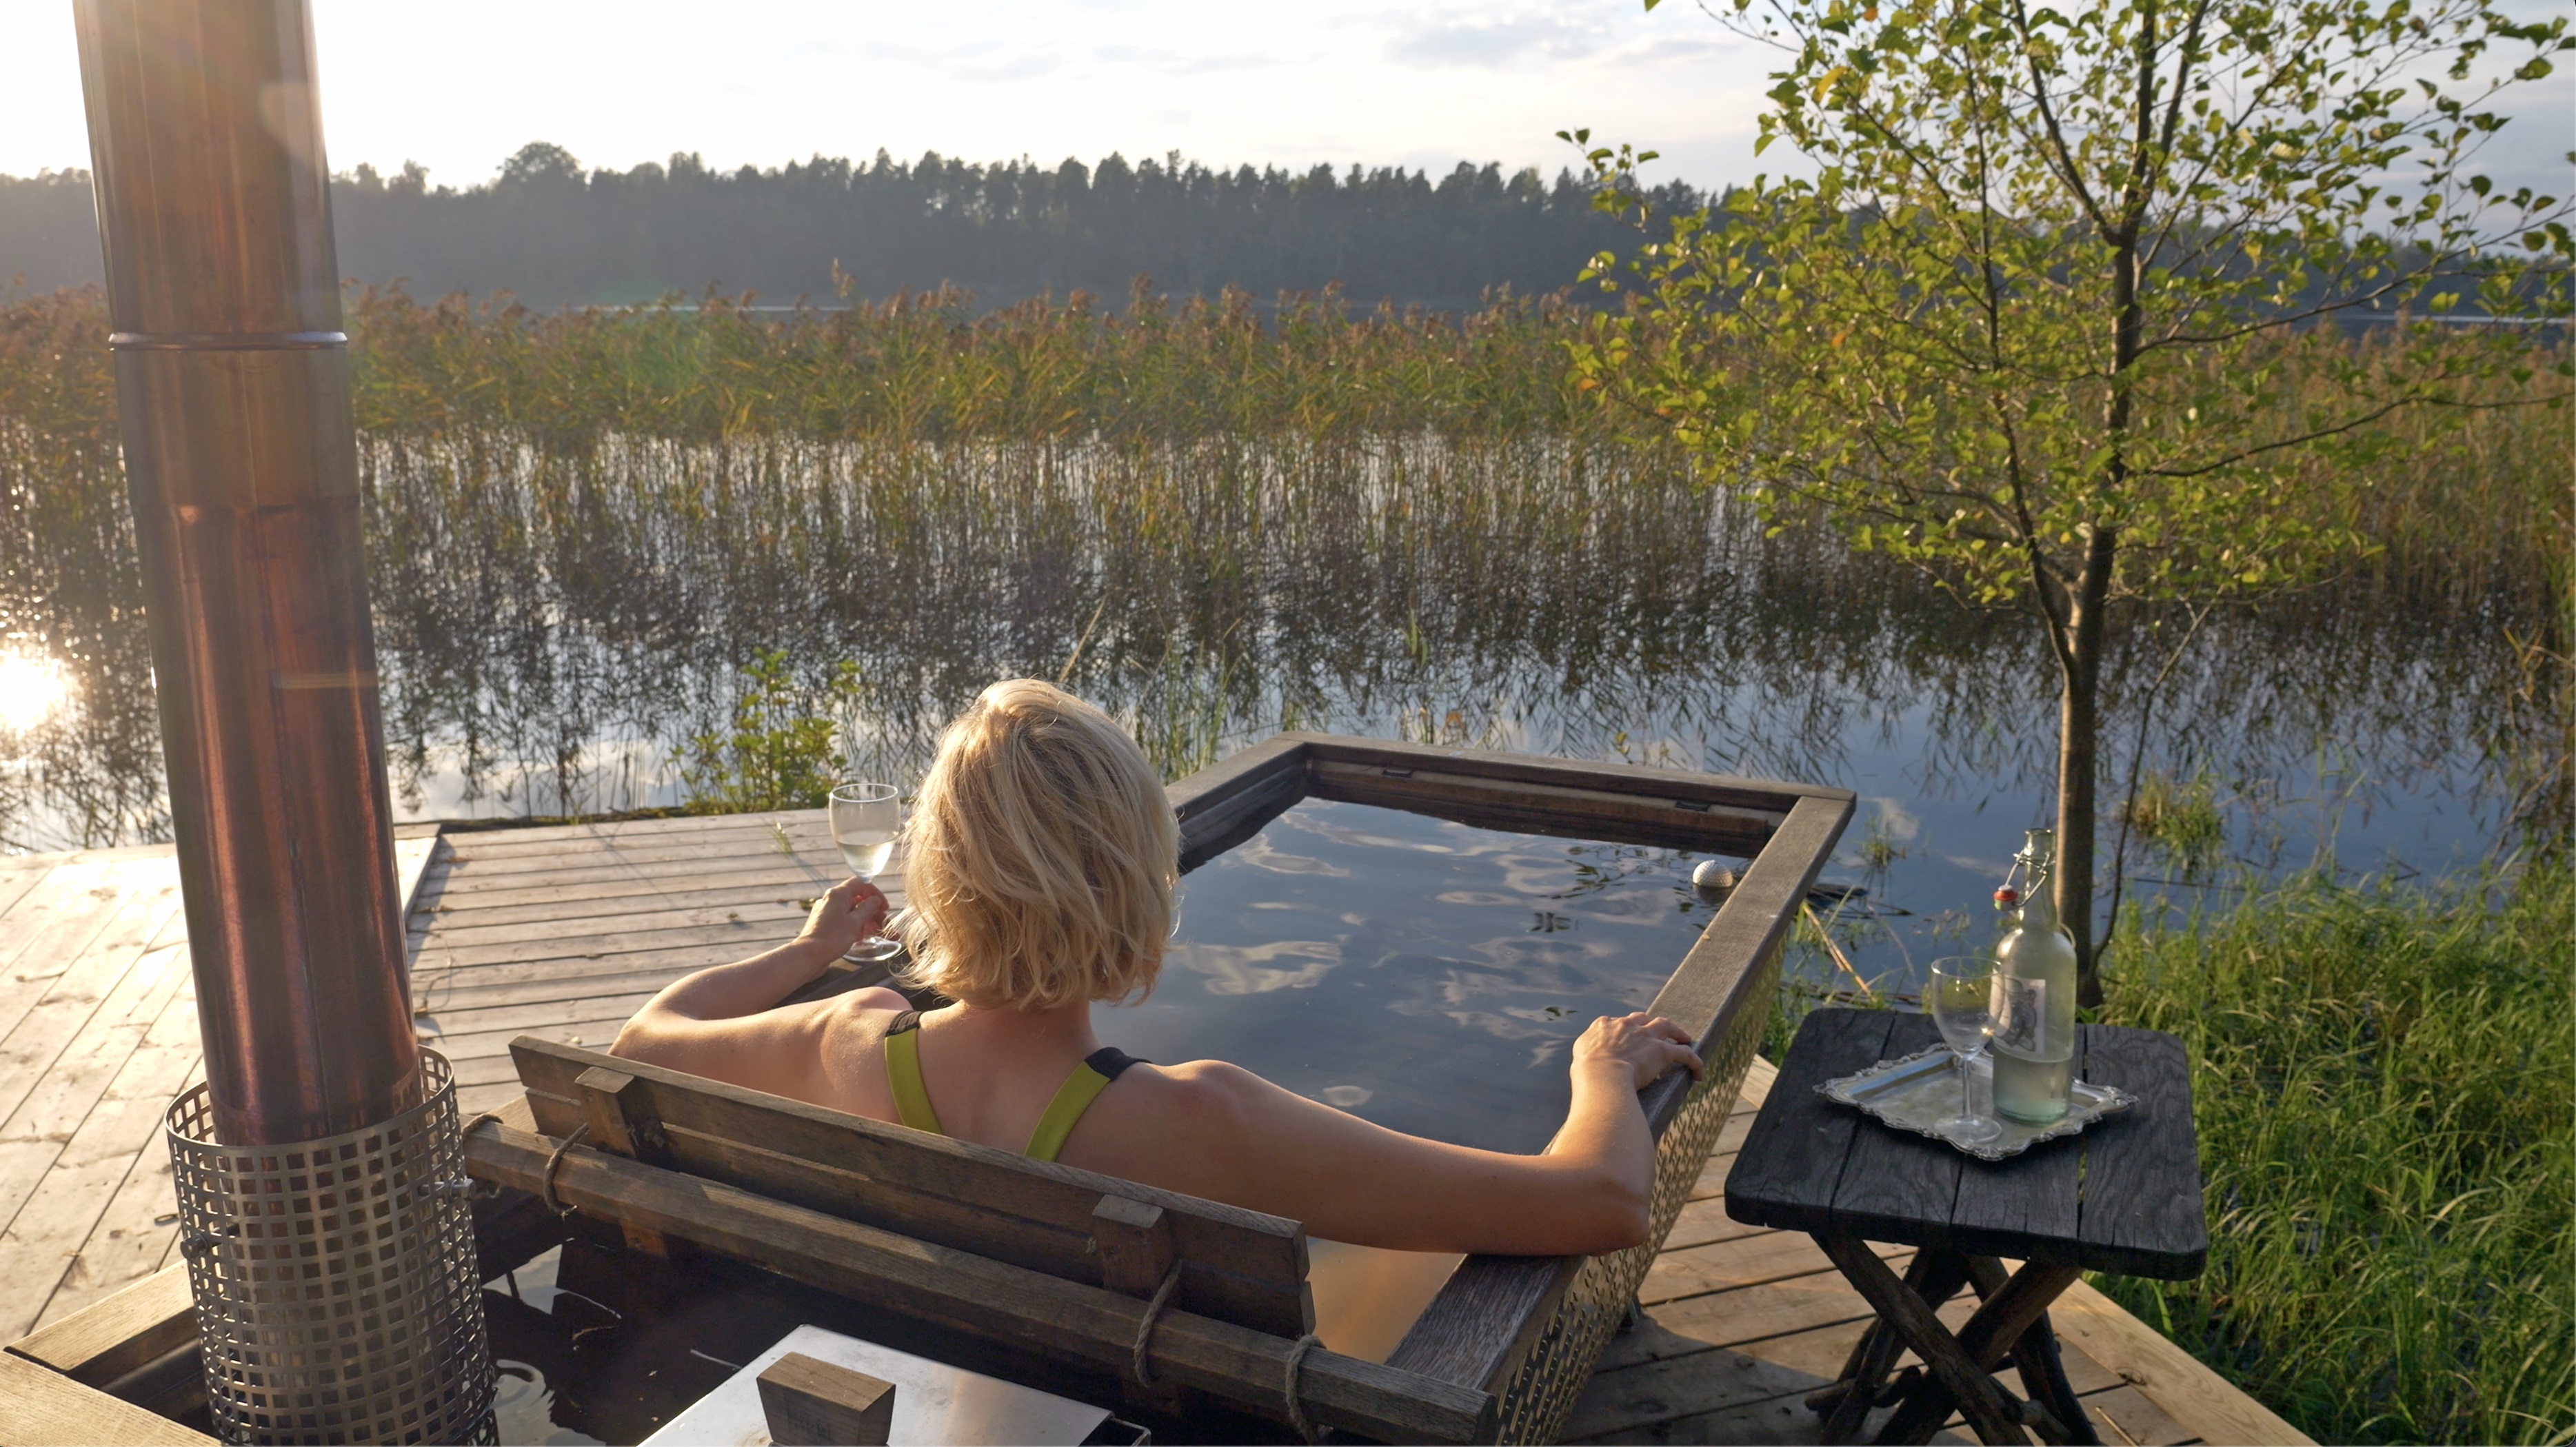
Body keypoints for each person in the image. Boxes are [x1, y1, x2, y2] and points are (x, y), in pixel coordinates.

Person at [612, 679, 1701, 1256]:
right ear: (1136, 882)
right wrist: (1601, 1072)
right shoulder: (1204, 1123)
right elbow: (1598, 1202)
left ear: (941, 878)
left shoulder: (840, 1042)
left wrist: (810, 953)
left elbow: (647, 1037)